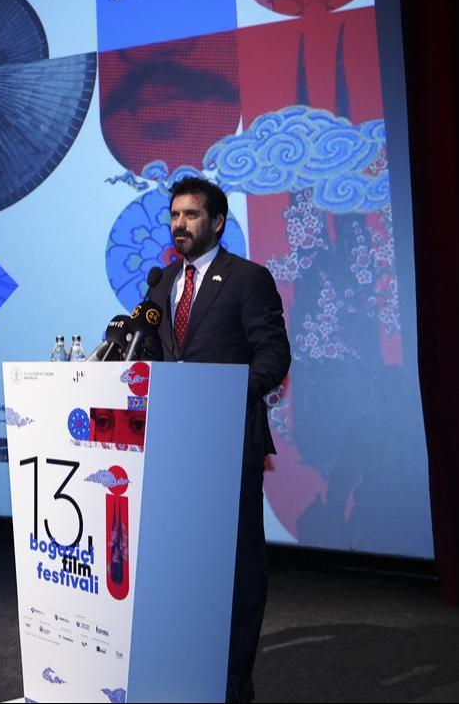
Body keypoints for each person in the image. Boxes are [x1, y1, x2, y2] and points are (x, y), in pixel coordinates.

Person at [146, 177, 291, 704]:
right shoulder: (162, 286)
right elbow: (157, 358)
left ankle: (234, 679)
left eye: (189, 215)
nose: (179, 224)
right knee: (182, 564)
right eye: (174, 215)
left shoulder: (248, 279)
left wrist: (220, 397)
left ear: (218, 222)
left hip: (229, 442)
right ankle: (187, 662)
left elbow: (274, 358)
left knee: (238, 567)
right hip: (173, 449)